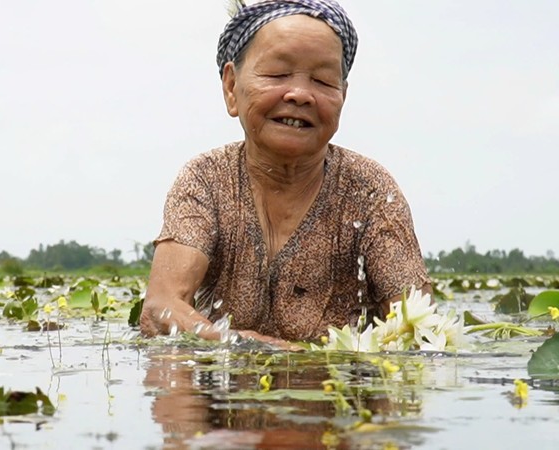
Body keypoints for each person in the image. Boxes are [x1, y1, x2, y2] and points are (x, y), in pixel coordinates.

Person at [140, 0, 431, 350]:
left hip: (339, 395)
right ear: (231, 87)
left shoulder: (369, 189)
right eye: (278, 74)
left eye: (323, 80)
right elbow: (160, 310)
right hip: (222, 394)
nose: (300, 94)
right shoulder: (205, 180)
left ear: (343, 96)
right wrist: (245, 346)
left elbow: (422, 331)